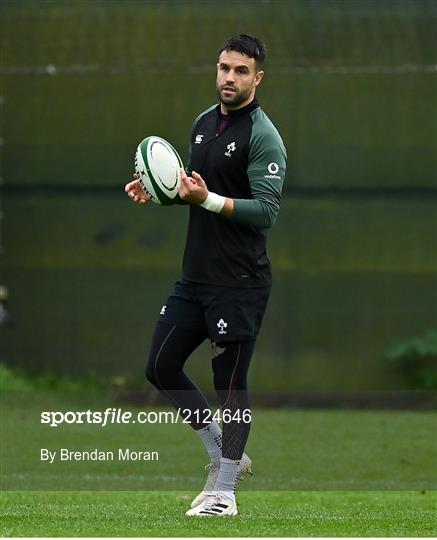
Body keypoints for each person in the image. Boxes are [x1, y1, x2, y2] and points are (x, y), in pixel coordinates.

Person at [125, 34, 286, 517]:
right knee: (160, 365)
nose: (229, 78)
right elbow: (194, 189)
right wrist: (160, 192)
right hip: (195, 278)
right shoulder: (202, 124)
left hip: (239, 282)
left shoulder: (263, 134)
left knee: (230, 383)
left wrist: (206, 200)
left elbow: (267, 211)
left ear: (257, 77)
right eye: (223, 68)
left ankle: (225, 494)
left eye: (240, 71)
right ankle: (221, 455)